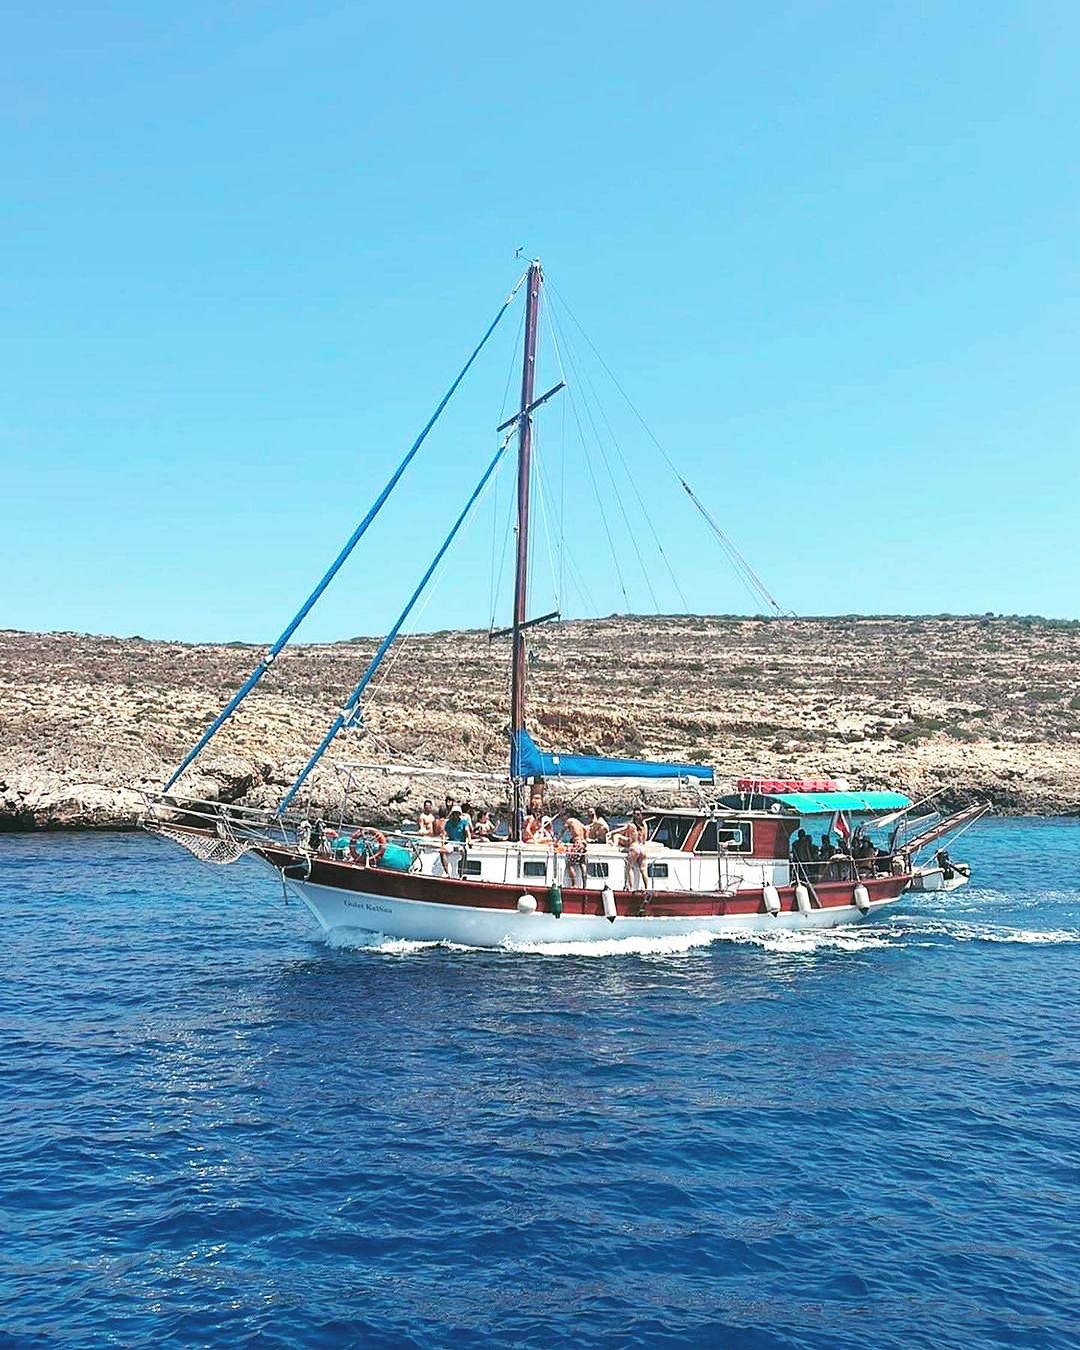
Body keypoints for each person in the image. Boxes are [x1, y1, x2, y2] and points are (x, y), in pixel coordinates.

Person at [616, 809, 649, 892]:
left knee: (629, 867)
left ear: (633, 815)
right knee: (643, 869)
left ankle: (630, 887)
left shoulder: (631, 825)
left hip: (634, 847)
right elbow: (645, 839)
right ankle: (647, 888)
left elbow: (622, 831)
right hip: (642, 848)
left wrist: (612, 833)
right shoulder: (644, 825)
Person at [440, 805, 472, 878]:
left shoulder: (464, 822)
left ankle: (462, 872)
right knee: (442, 851)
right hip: (451, 843)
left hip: (460, 843)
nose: (455, 815)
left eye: (457, 813)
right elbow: (444, 833)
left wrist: (469, 840)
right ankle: (447, 872)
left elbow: (467, 831)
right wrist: (442, 843)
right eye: (454, 813)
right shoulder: (448, 823)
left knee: (463, 852)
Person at [562, 815, 588, 888]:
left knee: (570, 864)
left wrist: (557, 840)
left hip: (577, 843)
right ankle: (584, 885)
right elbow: (586, 829)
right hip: (583, 843)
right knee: (582, 863)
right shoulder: (579, 822)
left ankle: (574, 884)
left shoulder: (569, 821)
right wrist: (585, 839)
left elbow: (562, 831)